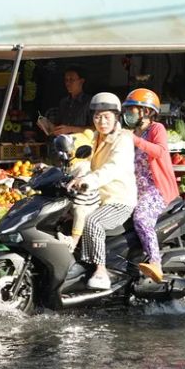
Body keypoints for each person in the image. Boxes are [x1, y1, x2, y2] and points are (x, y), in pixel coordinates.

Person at [68, 93, 137, 290]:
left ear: (117, 117)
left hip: (118, 199)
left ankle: (100, 271)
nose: (102, 121)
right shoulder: (96, 137)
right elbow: (85, 161)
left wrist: (88, 181)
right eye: (97, 117)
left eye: (107, 117)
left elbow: (112, 168)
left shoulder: (123, 140)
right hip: (98, 196)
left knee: (93, 222)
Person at [122, 88, 178, 283]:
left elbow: (160, 152)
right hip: (136, 190)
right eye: (127, 110)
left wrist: (135, 140)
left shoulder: (156, 129)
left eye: (133, 110)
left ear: (146, 111)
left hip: (157, 190)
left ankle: (156, 262)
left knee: (141, 218)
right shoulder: (131, 132)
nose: (129, 114)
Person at [52, 67, 92, 135]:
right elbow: (58, 125)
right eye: (66, 80)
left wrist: (71, 129)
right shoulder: (63, 102)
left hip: (81, 143)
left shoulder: (89, 102)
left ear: (81, 81)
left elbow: (95, 129)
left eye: (71, 80)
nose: (68, 83)